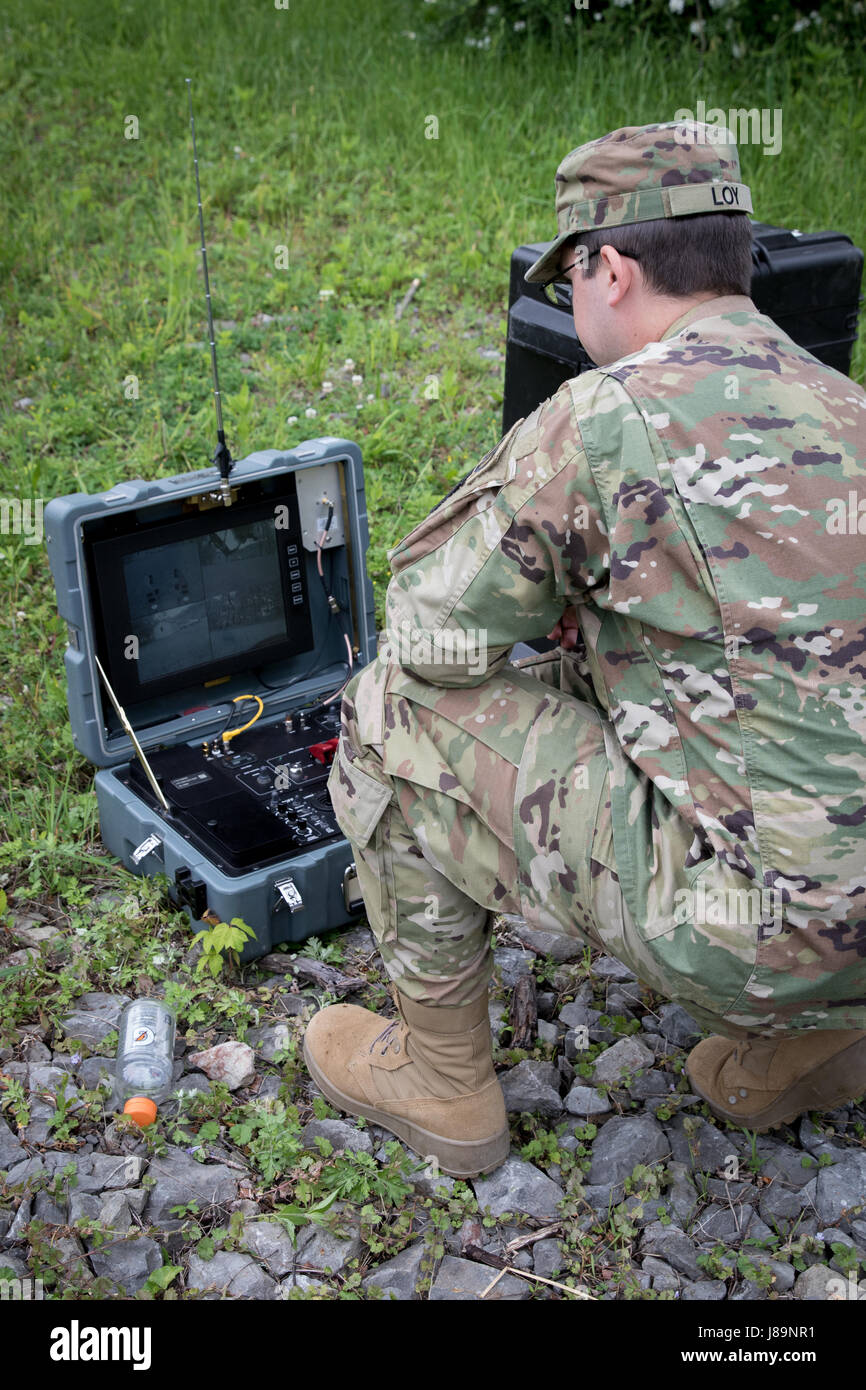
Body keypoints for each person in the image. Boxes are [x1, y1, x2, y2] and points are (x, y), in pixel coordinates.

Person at [303, 121, 866, 1178]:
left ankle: (441, 1086)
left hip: (740, 933)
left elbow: (432, 633)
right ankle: (814, 1036)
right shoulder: (849, 405)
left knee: (390, 708)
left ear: (608, 268)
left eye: (570, 280)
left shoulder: (604, 417)